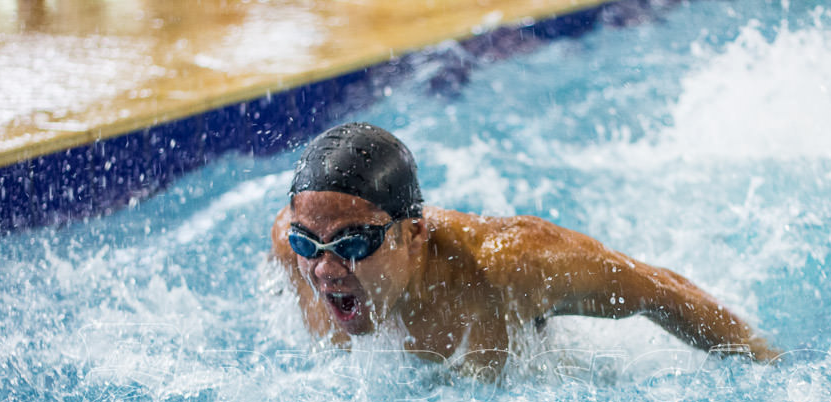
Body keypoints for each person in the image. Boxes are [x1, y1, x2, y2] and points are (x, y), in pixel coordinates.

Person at [269, 122, 777, 376]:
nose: (325, 268)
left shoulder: (513, 265)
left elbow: (663, 291)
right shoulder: (297, 245)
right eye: (306, 242)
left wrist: (768, 369)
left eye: (355, 242)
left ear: (415, 232)